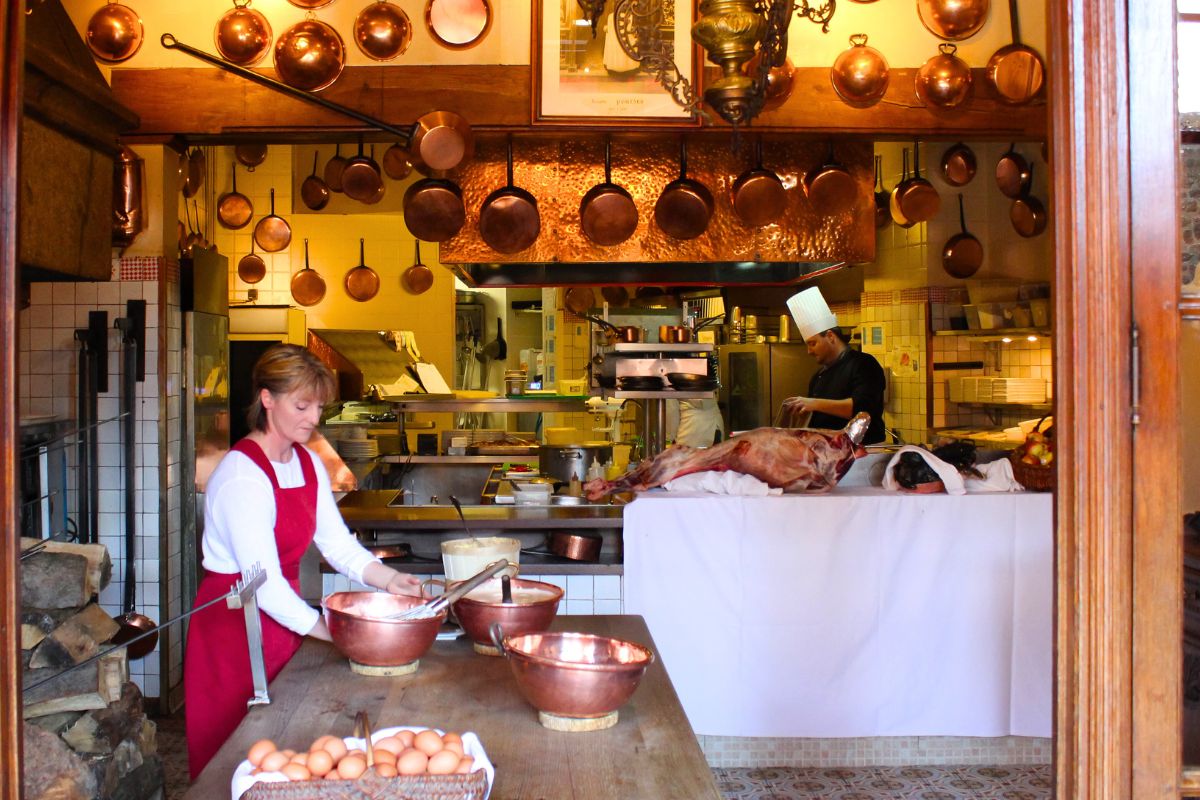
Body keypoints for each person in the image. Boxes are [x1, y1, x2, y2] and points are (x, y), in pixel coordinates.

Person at [184, 345, 421, 779]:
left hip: (282, 612)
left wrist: (391, 581)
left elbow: (339, 546)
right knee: (237, 753)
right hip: (237, 624)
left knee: (287, 746)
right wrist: (343, 634)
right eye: (301, 405)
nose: (313, 418)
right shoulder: (242, 476)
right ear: (266, 399)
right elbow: (264, 582)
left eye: (318, 406)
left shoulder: (307, 462)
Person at [781, 287, 886, 444]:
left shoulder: (864, 364)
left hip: (861, 453)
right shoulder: (818, 377)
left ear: (830, 336)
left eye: (812, 343)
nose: (809, 351)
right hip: (827, 456)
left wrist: (814, 403)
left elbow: (863, 411)